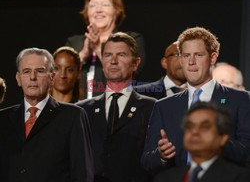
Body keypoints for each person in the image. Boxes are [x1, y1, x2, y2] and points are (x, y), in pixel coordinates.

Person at [142, 27, 250, 174]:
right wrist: (161, 155)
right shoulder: (164, 106)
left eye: (198, 55)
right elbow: (147, 161)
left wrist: (217, 143)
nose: (191, 62)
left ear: (212, 58)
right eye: (186, 56)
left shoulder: (241, 100)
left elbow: (247, 153)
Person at [0, 48, 93, 182]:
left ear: (52, 77)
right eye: (26, 71)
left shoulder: (73, 116)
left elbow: (82, 173)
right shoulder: (3, 119)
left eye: (40, 71)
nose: (32, 77)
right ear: (18, 79)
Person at [76, 32, 156, 182]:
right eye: (107, 55)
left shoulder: (151, 108)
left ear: (135, 63)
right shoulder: (82, 110)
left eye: (121, 55)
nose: (113, 61)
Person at [66, 0, 146, 99]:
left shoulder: (130, 39)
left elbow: (132, 72)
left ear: (116, 11)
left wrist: (98, 48)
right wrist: (83, 55)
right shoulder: (74, 42)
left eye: (105, 4)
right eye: (93, 5)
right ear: (87, 12)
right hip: (79, 109)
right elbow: (61, 76)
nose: (98, 10)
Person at [154, 102, 250, 182]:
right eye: (190, 127)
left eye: (205, 127)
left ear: (223, 138)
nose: (195, 132)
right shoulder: (164, 179)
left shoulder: (241, 178)